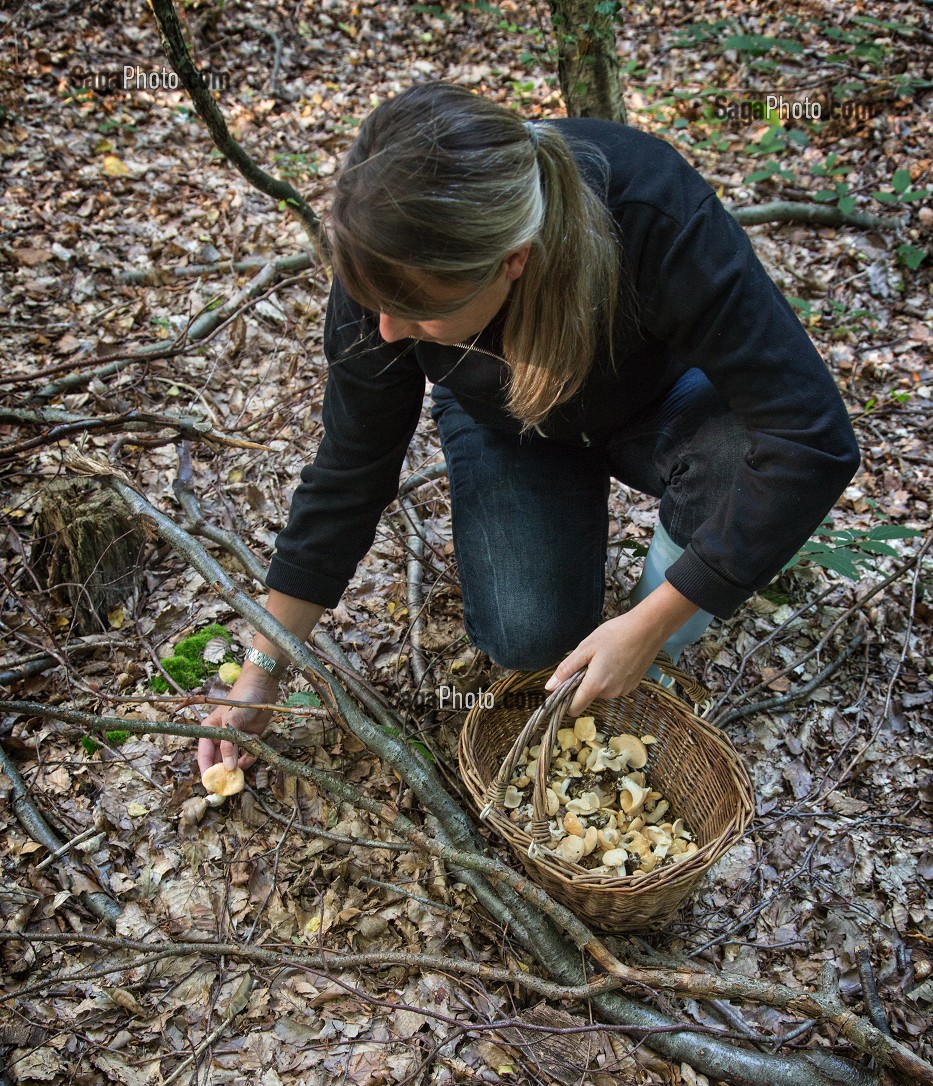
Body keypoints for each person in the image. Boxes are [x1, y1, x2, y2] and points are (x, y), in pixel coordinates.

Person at [197, 81, 859, 778]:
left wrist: (649, 628)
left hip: (657, 401)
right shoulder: (385, 265)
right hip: (508, 420)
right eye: (375, 306)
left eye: (419, 315)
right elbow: (349, 472)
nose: (389, 331)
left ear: (512, 258)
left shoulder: (650, 208)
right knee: (527, 635)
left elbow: (810, 437)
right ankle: (602, 626)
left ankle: (646, 652)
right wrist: (262, 669)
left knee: (738, 461)